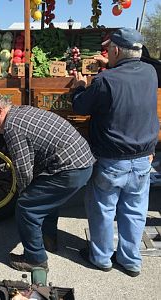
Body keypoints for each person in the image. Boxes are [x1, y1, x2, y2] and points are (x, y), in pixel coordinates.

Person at [72, 28, 159, 277]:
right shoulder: (150, 73)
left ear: (116, 50)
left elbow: (81, 105)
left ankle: (101, 258)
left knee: (103, 209)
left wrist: (79, 86)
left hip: (111, 160)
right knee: (134, 211)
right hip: (143, 157)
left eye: (110, 49)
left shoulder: (105, 80)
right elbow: (129, 82)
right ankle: (131, 260)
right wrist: (109, 66)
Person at [0, 94, 95, 272]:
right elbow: (23, 160)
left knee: (26, 207)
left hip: (71, 168)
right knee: (44, 197)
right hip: (81, 162)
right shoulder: (20, 112)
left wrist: (25, 195)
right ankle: (48, 239)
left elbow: (23, 170)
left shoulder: (12, 127)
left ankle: (35, 259)